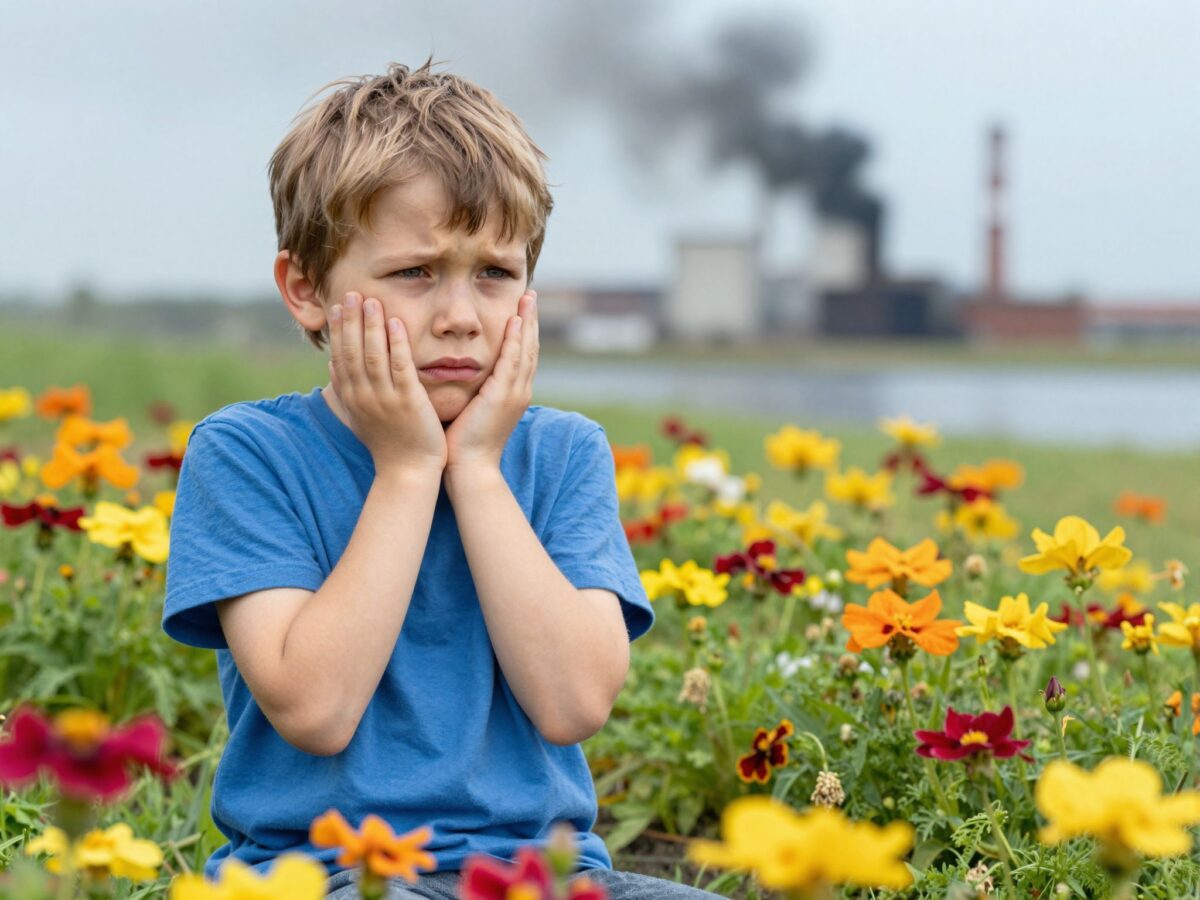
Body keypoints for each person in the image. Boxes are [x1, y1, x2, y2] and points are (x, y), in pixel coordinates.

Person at [162, 60, 719, 899]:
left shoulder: (563, 454)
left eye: (495, 273)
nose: (461, 313)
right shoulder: (247, 453)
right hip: (328, 877)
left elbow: (573, 703)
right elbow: (315, 709)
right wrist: (409, 465)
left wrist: (483, 471)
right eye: (415, 272)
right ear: (307, 289)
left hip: (545, 878)